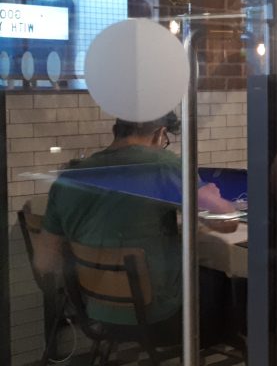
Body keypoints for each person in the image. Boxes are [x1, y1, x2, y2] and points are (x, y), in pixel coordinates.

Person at [35, 112, 238, 346]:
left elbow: (44, 262)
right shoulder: (162, 165)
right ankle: (237, 356)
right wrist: (211, 195)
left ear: (115, 131)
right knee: (228, 279)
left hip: (94, 311)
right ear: (160, 134)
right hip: (158, 315)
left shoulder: (69, 177)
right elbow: (228, 223)